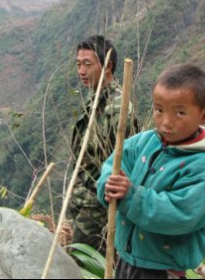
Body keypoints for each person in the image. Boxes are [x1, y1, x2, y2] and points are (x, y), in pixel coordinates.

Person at [97, 64, 205, 279]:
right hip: (127, 258)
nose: (166, 122)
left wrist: (130, 196)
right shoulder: (144, 142)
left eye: (180, 113)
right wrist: (109, 187)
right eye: (159, 110)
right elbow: (114, 165)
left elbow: (180, 214)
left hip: (163, 269)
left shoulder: (201, 165)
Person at [69, 35, 138, 254]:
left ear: (107, 66)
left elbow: (125, 165)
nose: (81, 71)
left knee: (81, 264)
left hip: (98, 209)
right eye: (78, 64)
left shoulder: (117, 108)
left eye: (88, 64)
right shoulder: (95, 100)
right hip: (83, 202)